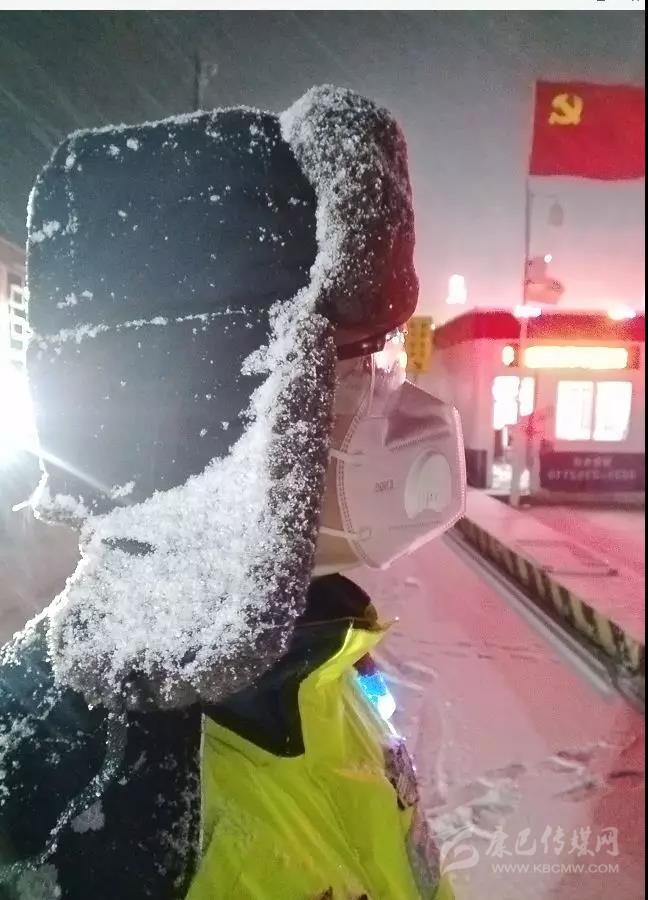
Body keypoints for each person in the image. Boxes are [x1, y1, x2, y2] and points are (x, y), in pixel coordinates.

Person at [0, 85, 464, 898]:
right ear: (227, 425)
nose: (409, 408)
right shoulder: (85, 806)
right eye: (369, 369)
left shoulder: (316, 662)